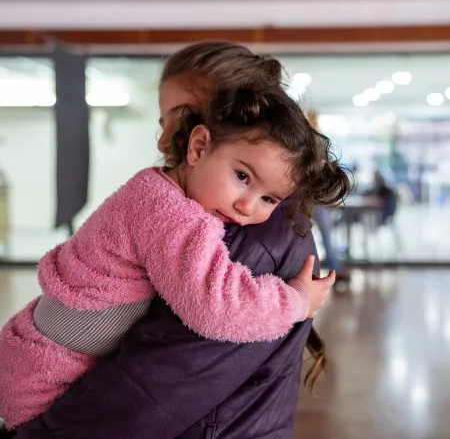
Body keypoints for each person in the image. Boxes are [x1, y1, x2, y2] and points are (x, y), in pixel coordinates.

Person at [10, 42, 350, 439]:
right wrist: (295, 302)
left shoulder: (245, 235)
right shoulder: (177, 211)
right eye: (164, 121)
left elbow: (149, 393)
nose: (164, 140)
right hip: (45, 370)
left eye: (182, 117)